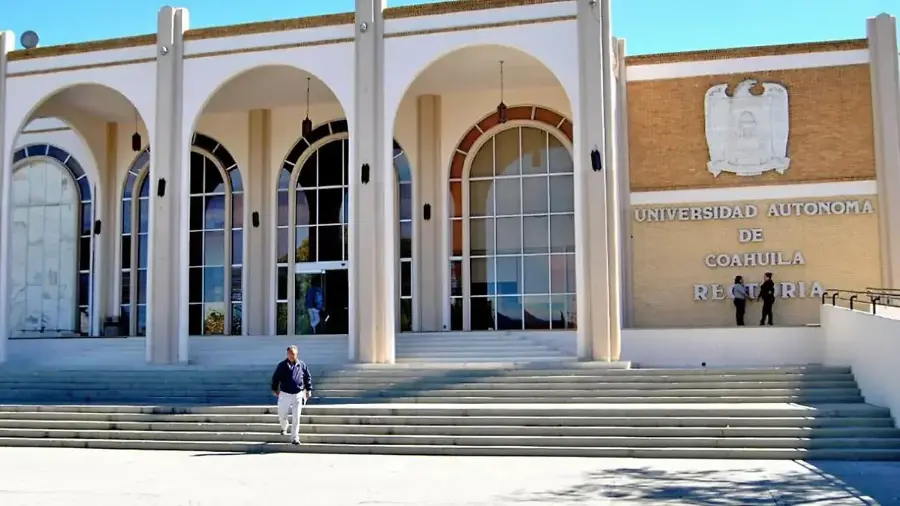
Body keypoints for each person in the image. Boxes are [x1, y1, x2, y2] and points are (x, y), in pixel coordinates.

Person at [270, 345, 313, 445]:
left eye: (293, 354)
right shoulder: (282, 365)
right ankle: (284, 426)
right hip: (285, 394)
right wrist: (275, 389)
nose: (291, 356)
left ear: (296, 354)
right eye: (289, 354)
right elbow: (275, 378)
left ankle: (295, 437)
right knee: (282, 414)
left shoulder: (301, 365)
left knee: (296, 417)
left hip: (298, 394)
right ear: (287, 354)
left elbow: (307, 377)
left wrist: (308, 389)